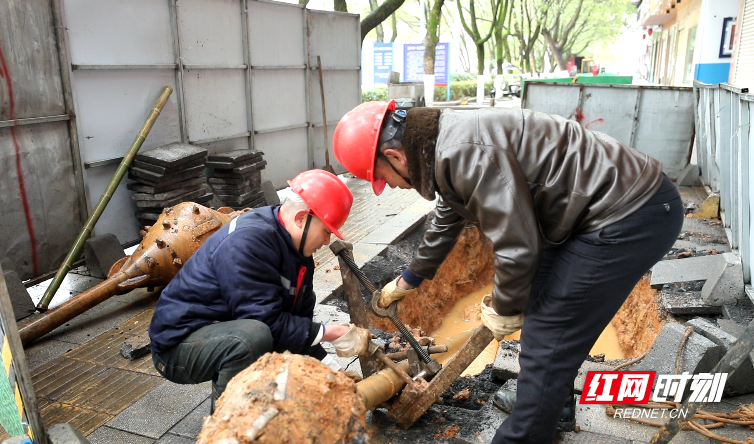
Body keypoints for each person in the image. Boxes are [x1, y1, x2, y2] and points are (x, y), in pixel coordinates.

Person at [332, 102, 682, 443]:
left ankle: (525, 434)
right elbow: (448, 215)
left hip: (629, 213)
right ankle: (551, 405)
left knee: (551, 330)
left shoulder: (462, 153)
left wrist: (504, 307)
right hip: (593, 210)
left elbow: (517, 245)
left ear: (395, 157)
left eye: (381, 178)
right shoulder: (440, 145)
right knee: (539, 297)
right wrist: (408, 281)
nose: (388, 186)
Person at [148, 169, 371, 413]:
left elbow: (298, 327)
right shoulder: (248, 241)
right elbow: (263, 321)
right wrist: (332, 332)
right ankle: (229, 428)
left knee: (266, 343)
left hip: (222, 331)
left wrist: (334, 372)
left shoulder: (298, 254)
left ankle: (257, 406)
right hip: (178, 346)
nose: (328, 240)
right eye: (327, 230)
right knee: (252, 338)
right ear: (301, 218)